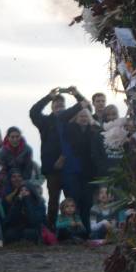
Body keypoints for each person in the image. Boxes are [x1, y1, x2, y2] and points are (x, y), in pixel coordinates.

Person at [30, 86, 87, 228]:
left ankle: (75, 229)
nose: (59, 107)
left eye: (62, 105)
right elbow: (34, 112)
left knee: (72, 201)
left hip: (70, 168)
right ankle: (51, 230)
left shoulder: (70, 120)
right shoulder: (45, 122)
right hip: (52, 169)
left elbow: (86, 107)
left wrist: (76, 94)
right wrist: (48, 97)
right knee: (53, 202)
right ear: (52, 107)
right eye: (56, 104)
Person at [62, 106, 100, 233]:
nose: (84, 119)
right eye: (81, 116)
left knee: (88, 202)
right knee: (75, 200)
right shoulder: (70, 129)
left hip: (89, 172)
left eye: (86, 116)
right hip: (74, 171)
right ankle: (74, 230)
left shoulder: (93, 130)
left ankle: (87, 229)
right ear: (76, 118)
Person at [3, 169, 46, 244]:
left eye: (26, 190)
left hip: (33, 228)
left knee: (29, 233)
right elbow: (10, 220)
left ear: (31, 191)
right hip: (19, 228)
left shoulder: (39, 203)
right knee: (9, 234)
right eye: (21, 190)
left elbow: (34, 221)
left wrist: (27, 202)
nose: (23, 192)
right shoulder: (17, 201)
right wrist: (18, 202)